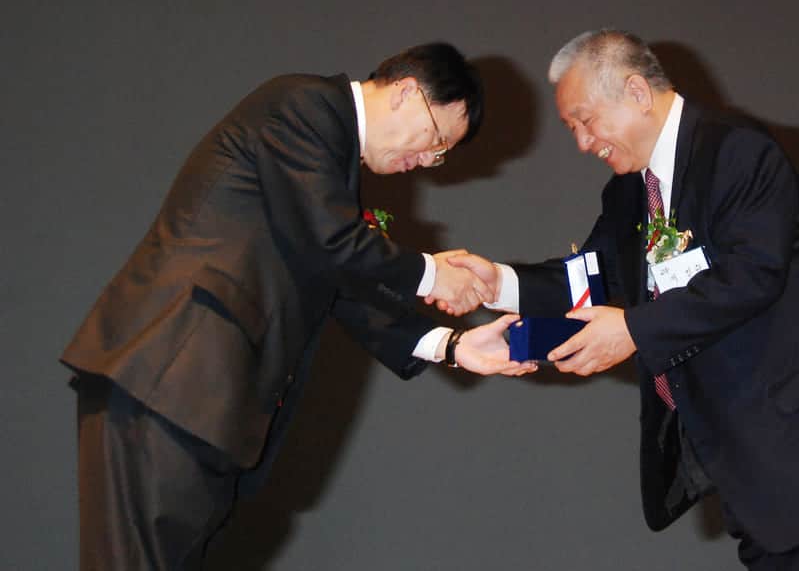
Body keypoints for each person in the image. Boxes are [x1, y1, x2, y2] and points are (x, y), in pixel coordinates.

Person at [449, 29, 799, 569]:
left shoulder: (736, 151)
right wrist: (498, 283)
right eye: (572, 128)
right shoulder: (629, 191)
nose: (583, 142)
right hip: (759, 455)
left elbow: (752, 275)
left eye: (585, 120)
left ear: (636, 92)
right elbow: (593, 277)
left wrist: (632, 330)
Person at [62, 41, 535, 571]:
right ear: (406, 92)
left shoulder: (331, 165)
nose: (428, 161)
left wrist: (452, 345)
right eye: (436, 140)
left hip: (206, 400)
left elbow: (341, 282)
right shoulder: (303, 106)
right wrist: (433, 274)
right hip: (169, 376)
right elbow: (332, 242)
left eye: (440, 154)